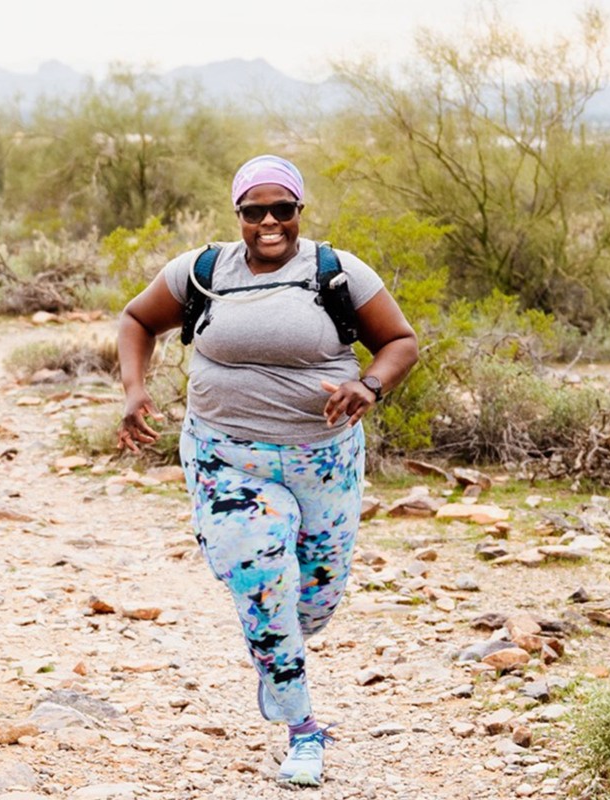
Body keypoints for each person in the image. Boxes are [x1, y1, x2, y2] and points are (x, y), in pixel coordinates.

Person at [116, 154, 418, 787]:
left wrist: (369, 386)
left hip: (324, 459)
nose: (270, 222)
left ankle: (277, 650)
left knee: (312, 602)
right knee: (260, 580)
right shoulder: (203, 272)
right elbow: (137, 319)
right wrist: (134, 390)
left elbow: (400, 341)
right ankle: (302, 727)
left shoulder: (336, 272)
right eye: (255, 211)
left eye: (284, 209)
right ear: (239, 216)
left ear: (300, 211)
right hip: (226, 455)